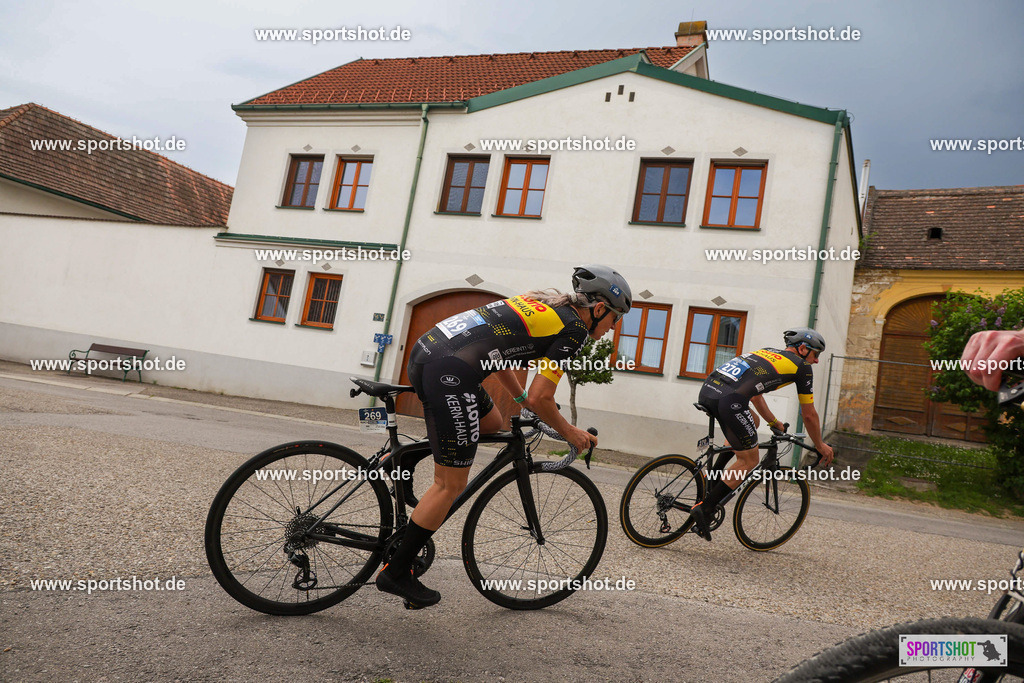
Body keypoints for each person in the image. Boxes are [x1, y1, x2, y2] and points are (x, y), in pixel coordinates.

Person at [375, 265, 632, 607]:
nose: (612, 329)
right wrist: (570, 433)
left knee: (493, 423)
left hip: (430, 354)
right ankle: (396, 572)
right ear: (599, 309)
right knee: (449, 485)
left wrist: (521, 399)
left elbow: (499, 355)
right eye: (614, 320)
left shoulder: (543, 303)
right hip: (451, 372)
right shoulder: (574, 331)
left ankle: (408, 456)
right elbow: (545, 397)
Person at [688, 327, 835, 541]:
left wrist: (774, 422)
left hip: (709, 390)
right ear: (803, 349)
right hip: (730, 401)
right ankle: (706, 509)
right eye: (816, 354)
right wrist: (820, 445)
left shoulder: (767, 352)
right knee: (749, 460)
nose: (817, 361)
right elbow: (809, 414)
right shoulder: (801, 367)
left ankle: (714, 480)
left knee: (752, 421)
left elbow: (756, 397)